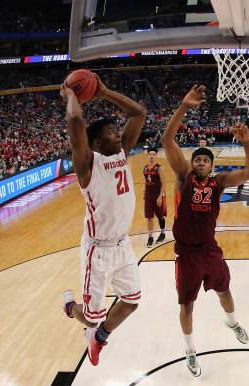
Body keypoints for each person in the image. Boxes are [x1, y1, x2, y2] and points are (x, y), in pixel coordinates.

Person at [162, 85, 249, 377]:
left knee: (225, 290)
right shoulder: (183, 176)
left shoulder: (220, 182)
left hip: (209, 249)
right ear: (193, 164)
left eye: (206, 160)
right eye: (197, 159)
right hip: (187, 254)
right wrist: (184, 107)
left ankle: (232, 322)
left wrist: (246, 143)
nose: (201, 162)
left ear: (212, 165)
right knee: (187, 305)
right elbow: (167, 139)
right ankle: (190, 350)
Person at [60, 75, 147, 366]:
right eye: (111, 132)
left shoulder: (122, 153)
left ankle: (98, 338)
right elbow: (75, 123)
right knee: (90, 316)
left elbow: (138, 113)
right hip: (98, 250)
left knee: (131, 301)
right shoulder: (87, 164)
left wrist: (104, 90)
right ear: (96, 141)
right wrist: (71, 94)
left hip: (122, 246)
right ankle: (70, 306)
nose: (118, 134)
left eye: (116, 130)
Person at [143, 147, 167, 247]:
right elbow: (146, 181)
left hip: (157, 195)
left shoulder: (159, 168)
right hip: (148, 196)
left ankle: (162, 233)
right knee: (149, 217)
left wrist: (160, 196)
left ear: (156, 156)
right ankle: (150, 237)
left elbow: (164, 183)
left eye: (153, 154)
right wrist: (144, 192)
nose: (151, 156)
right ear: (147, 155)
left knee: (160, 216)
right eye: (150, 154)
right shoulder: (144, 168)